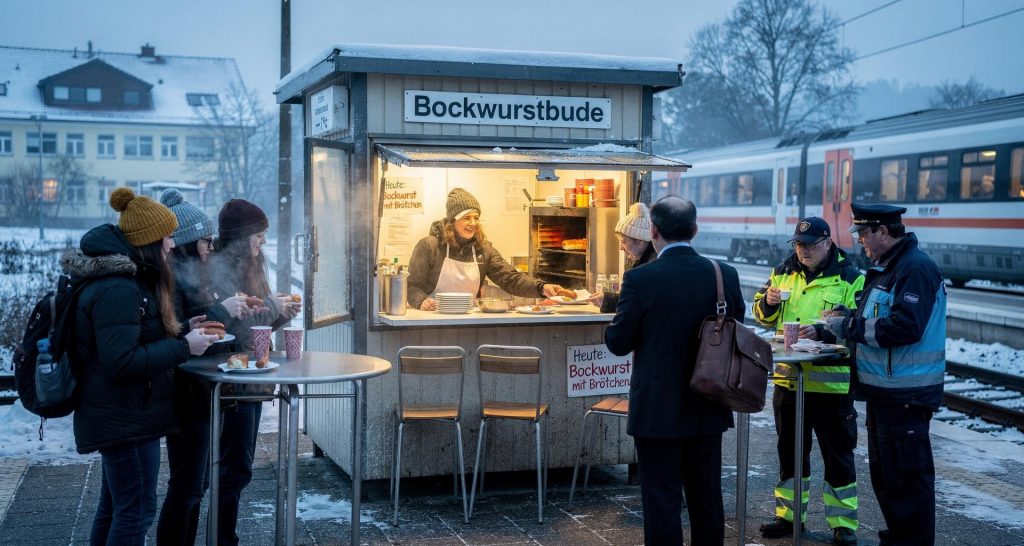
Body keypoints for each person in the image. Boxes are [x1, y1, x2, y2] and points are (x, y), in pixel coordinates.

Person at [66, 187, 217, 545]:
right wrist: (183, 347)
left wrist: (184, 331)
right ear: (149, 241)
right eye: (166, 237)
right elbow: (121, 362)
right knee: (135, 513)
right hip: (125, 417)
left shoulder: (127, 281)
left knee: (116, 508)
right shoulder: (119, 288)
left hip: (125, 414)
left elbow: (135, 341)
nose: (170, 245)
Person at [604, 196, 743, 545]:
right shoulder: (723, 274)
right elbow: (736, 326)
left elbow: (618, 342)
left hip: (657, 409)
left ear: (652, 231)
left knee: (662, 501)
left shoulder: (640, 280)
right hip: (708, 403)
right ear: (694, 230)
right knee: (707, 498)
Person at [824, 203, 946, 546]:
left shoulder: (914, 269)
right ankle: (898, 538)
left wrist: (850, 326)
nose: (860, 240)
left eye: (864, 233)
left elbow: (907, 327)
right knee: (888, 478)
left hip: (906, 394)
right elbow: (877, 317)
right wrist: (847, 317)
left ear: (882, 230)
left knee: (908, 480)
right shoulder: (889, 268)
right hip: (885, 392)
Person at [752, 217, 864, 545]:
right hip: (789, 383)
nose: (804, 250)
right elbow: (760, 315)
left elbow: (858, 324)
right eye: (799, 244)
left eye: (811, 244)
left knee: (838, 456)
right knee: (789, 455)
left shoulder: (850, 277)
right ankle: (788, 518)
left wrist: (824, 331)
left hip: (830, 387)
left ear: (828, 242)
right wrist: (768, 302)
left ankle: (843, 525)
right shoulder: (782, 272)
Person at [155, 189, 252, 546]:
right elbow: (175, 333)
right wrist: (222, 311)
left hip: (202, 391)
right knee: (186, 486)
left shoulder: (192, 275)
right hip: (185, 395)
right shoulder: (171, 279)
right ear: (187, 243)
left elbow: (187, 325)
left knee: (197, 483)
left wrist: (214, 315)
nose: (210, 248)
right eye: (205, 241)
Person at [208, 198, 301, 546]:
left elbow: (260, 324)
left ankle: (223, 535)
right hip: (233, 376)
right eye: (259, 235)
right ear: (243, 234)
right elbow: (237, 324)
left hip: (251, 374)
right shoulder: (222, 268)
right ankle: (222, 538)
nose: (263, 241)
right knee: (232, 468)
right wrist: (271, 309)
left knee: (237, 467)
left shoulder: (253, 263)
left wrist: (280, 313)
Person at [407, 188, 573, 309]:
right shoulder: (429, 246)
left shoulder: (484, 249)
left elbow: (510, 278)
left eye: (476, 218)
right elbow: (411, 286)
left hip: (468, 319)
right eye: (466, 218)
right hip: (432, 317)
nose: (473, 223)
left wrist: (541, 287)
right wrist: (421, 301)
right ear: (452, 221)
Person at [587, 201, 656, 312]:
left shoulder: (651, 268)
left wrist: (608, 300)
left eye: (623, 242)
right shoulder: (637, 261)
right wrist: (606, 299)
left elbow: (639, 304)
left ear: (639, 242)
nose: (620, 248)